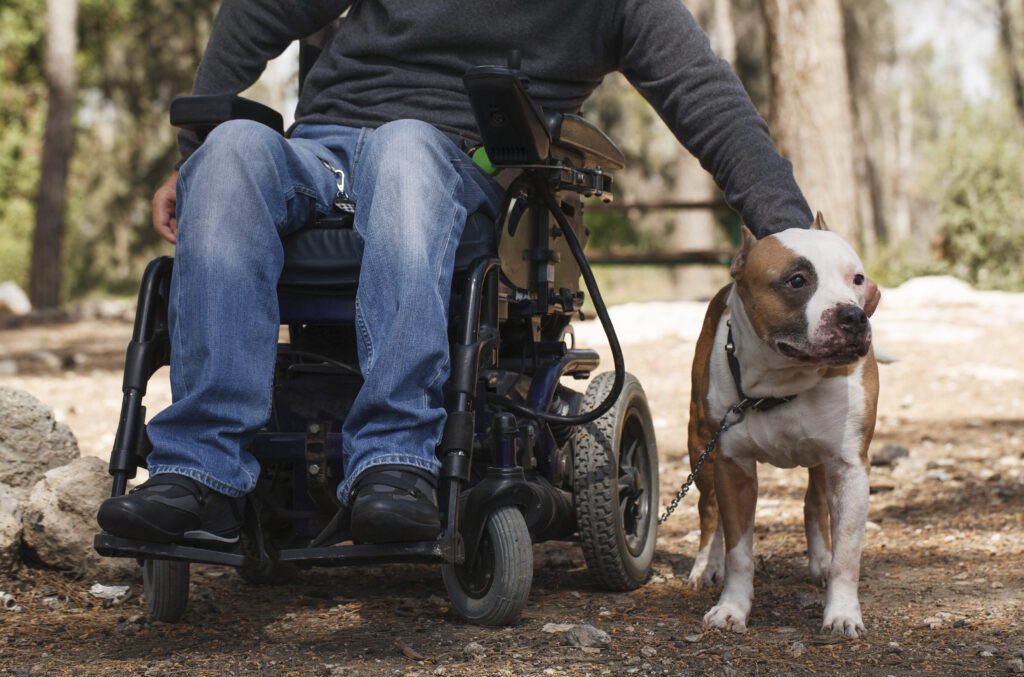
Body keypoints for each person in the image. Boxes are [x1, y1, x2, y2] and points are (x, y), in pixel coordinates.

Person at [97, 0, 813, 546]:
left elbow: (707, 98)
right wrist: (192, 150)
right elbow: (263, 10)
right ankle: (198, 472)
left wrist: (800, 242)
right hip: (323, 151)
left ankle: (394, 459)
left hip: (454, 168)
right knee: (230, 152)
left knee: (406, 148)